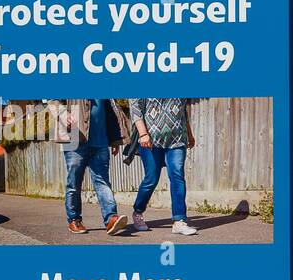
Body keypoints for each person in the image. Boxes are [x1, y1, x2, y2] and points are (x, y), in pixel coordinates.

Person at [128, 98, 198, 236]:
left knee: (177, 176)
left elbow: (182, 109)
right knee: (151, 179)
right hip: (150, 141)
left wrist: (189, 133)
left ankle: (179, 221)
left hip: (177, 139)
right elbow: (135, 108)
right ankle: (138, 212)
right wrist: (142, 133)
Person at [59, 98, 128, 236]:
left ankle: (111, 219)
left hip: (100, 141)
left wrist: (115, 139)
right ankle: (74, 220)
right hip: (74, 140)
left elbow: (110, 111)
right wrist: (62, 113)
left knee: (103, 181)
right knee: (74, 183)